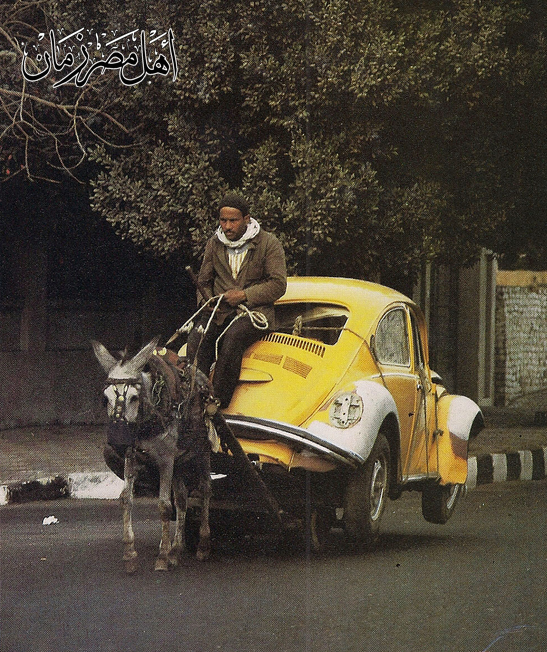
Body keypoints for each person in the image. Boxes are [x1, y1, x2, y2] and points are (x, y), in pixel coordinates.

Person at [186, 193, 287, 408]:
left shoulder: (268, 243)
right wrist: (205, 301)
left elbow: (278, 284)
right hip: (219, 313)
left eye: (233, 221)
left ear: (246, 219)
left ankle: (216, 403)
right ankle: (194, 400)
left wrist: (244, 295)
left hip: (254, 314)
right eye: (223, 221)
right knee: (196, 338)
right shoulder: (214, 243)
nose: (227, 226)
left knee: (233, 337)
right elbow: (204, 281)